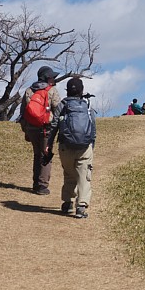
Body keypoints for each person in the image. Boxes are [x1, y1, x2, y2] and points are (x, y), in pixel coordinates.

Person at [46, 77, 96, 219]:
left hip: (65, 147)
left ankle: (68, 203)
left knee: (69, 173)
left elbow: (54, 125)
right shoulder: (87, 105)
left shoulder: (63, 105)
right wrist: (91, 145)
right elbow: (93, 129)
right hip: (84, 147)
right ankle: (81, 206)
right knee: (83, 177)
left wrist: (49, 145)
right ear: (82, 90)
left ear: (68, 91)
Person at [19, 66, 61, 195]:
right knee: (46, 155)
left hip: (31, 128)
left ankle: (36, 183)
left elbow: (23, 112)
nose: (53, 78)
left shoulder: (28, 90)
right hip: (46, 129)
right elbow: (58, 109)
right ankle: (42, 185)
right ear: (47, 77)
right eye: (52, 76)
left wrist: (25, 130)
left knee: (37, 154)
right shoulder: (51, 90)